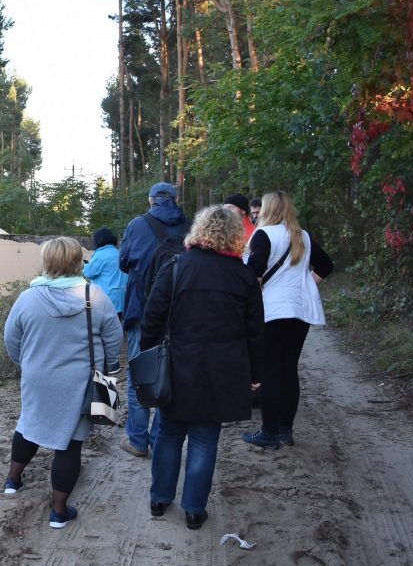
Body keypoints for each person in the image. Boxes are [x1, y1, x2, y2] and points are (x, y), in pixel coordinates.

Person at [141, 206, 264, 530]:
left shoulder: (176, 266)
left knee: (169, 433)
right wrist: (255, 375)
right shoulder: (244, 276)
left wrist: (147, 358)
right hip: (223, 369)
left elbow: (152, 316)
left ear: (199, 230)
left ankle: (159, 499)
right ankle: (194, 510)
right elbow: (255, 331)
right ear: (236, 236)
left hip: (178, 364)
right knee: (205, 438)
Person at [4, 237, 123, 529]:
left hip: (37, 377)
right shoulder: (95, 296)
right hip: (80, 382)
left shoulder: (27, 298)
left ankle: (13, 481)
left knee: (29, 425)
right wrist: (111, 371)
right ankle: (58, 512)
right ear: (76, 262)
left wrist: (28, 364)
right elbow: (114, 339)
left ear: (47, 262)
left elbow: (11, 340)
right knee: (70, 443)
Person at [241, 191, 333, 449]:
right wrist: (306, 284)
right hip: (299, 310)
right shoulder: (302, 235)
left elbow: (254, 274)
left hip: (272, 310)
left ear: (268, 209)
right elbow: (325, 265)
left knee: (270, 370)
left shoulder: (264, 235)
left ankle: (269, 432)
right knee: (289, 369)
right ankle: (285, 430)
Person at [118, 182, 189, 458]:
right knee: (169, 372)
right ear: (175, 199)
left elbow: (123, 263)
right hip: (179, 311)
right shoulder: (190, 225)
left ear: (151, 201)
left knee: (140, 372)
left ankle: (137, 439)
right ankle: (160, 437)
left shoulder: (137, 225)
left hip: (142, 309)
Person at [83, 226, 128, 326]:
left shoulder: (101, 254)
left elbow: (89, 273)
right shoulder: (118, 252)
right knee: (118, 323)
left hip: (107, 296)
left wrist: (85, 265)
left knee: (105, 326)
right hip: (122, 295)